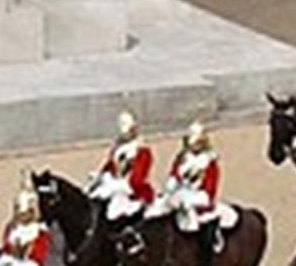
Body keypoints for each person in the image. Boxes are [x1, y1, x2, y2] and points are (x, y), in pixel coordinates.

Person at [158, 119, 235, 257]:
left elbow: (209, 189)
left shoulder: (209, 162)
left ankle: (201, 259)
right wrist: (171, 185)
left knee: (190, 214)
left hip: (199, 196)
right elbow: (175, 175)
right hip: (181, 192)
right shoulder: (183, 158)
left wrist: (191, 198)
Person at [89, 108, 156, 224]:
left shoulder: (142, 150)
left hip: (131, 191)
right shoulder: (117, 148)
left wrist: (117, 185)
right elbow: (110, 166)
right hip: (114, 184)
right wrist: (99, 177)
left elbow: (137, 178)